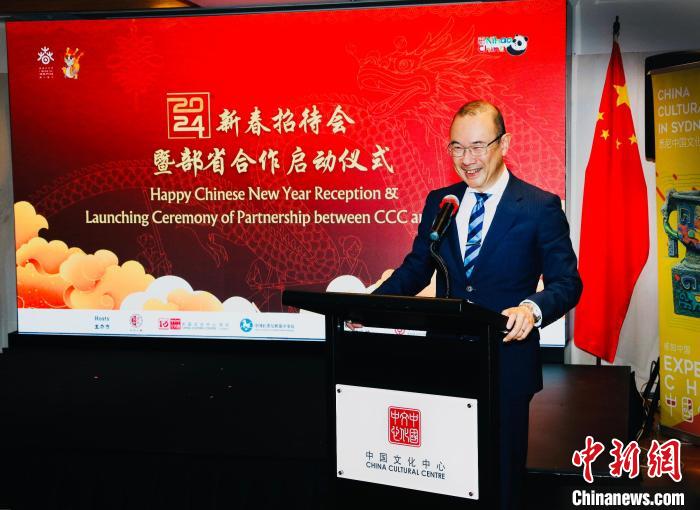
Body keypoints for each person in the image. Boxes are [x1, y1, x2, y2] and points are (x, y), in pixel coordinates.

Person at [372, 100, 583, 510]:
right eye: (456, 147)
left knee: (500, 482)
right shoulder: (442, 202)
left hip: (506, 364)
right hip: (443, 362)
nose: (466, 159)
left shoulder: (539, 207)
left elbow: (567, 282)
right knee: (444, 476)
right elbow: (416, 269)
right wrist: (367, 309)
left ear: (504, 144)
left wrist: (531, 309)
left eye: (477, 146)